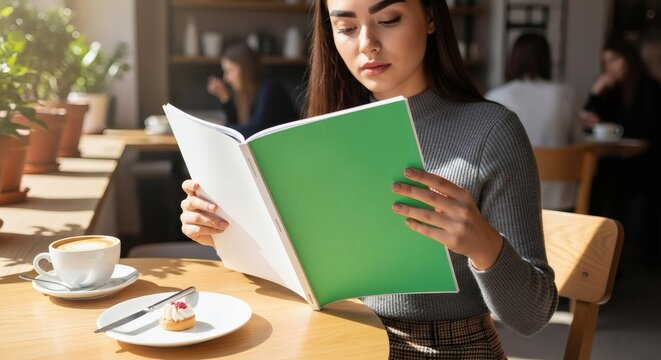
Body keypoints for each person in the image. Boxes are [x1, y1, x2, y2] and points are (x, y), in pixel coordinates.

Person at [182, 1, 558, 358]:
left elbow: (532, 317)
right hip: (338, 336)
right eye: (346, 27)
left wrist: (485, 246)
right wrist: (229, 231)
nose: (367, 45)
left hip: (444, 348)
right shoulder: (324, 132)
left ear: (429, 17)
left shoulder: (491, 131)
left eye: (389, 20)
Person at [485, 32, 583, 211]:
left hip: (511, 200)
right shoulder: (566, 95)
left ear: (512, 60)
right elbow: (579, 143)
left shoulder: (496, 97)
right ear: (546, 60)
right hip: (560, 201)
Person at [583, 36, 660, 263]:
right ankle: (600, 254)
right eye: (606, 62)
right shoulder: (611, 89)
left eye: (614, 60)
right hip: (617, 160)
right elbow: (589, 118)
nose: (610, 67)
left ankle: (614, 255)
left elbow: (648, 128)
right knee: (593, 179)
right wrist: (596, 91)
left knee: (607, 183)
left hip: (646, 161)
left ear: (629, 60)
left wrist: (613, 126)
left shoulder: (649, 89)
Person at [206, 43, 298, 137]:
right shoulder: (246, 94)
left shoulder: (270, 89)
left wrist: (221, 127)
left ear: (245, 69)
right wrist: (224, 97)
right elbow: (238, 126)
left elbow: (255, 132)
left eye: (229, 71)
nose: (226, 78)